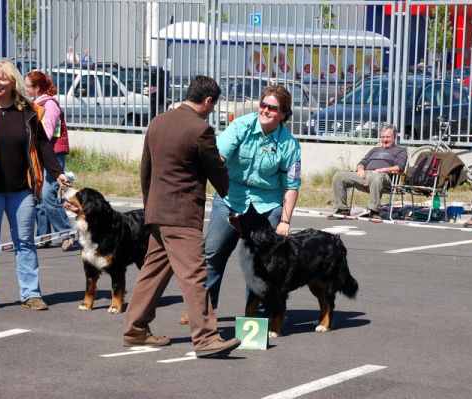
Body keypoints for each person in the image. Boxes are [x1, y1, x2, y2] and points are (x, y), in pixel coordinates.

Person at [123, 75, 241, 358]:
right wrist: (224, 176)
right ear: (209, 100)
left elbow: (146, 171)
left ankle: (135, 329)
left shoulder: (158, 122)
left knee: (152, 273)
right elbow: (216, 173)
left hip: (157, 211)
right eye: (213, 105)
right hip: (182, 214)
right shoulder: (200, 129)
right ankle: (206, 338)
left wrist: (149, 207)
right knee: (194, 275)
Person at [0, 60, 70, 312]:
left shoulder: (27, 110)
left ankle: (31, 294)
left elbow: (42, 145)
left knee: (25, 242)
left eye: (3, 79)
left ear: (12, 82)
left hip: (22, 189)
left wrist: (58, 174)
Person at [185, 85, 302, 322]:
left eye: (272, 108)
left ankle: (256, 316)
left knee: (262, 263)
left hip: (266, 204)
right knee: (212, 254)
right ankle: (204, 310)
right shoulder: (242, 126)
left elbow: (291, 186)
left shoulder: (290, 144)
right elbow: (219, 156)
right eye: (263, 105)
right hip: (231, 197)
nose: (265, 110)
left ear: (283, 114)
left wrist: (285, 220)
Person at [25, 71, 74, 251]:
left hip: (53, 156)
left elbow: (46, 133)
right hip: (38, 156)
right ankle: (44, 236)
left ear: (37, 88)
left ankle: (67, 233)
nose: (26, 89)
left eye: (28, 86)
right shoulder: (34, 104)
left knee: (48, 195)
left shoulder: (50, 105)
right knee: (39, 197)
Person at [329, 124, 407, 220]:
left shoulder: (400, 150)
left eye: (388, 137)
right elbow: (363, 162)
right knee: (339, 176)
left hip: (384, 178)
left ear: (394, 137)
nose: (385, 140)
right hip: (366, 175)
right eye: (383, 137)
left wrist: (382, 170)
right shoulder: (375, 150)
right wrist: (360, 168)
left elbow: (399, 167)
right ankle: (342, 209)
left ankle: (374, 211)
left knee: (376, 177)